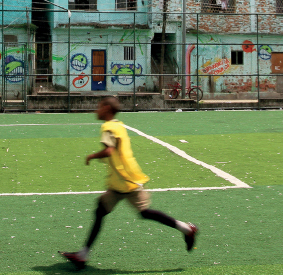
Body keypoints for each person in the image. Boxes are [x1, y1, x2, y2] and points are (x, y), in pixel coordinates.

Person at [59, 97, 198, 269]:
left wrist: (92, 156)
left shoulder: (108, 127)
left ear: (107, 108)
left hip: (126, 181)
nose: (96, 110)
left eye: (99, 107)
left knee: (142, 212)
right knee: (102, 210)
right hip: (121, 181)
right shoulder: (118, 125)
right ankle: (83, 255)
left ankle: (187, 229)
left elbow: (109, 150)